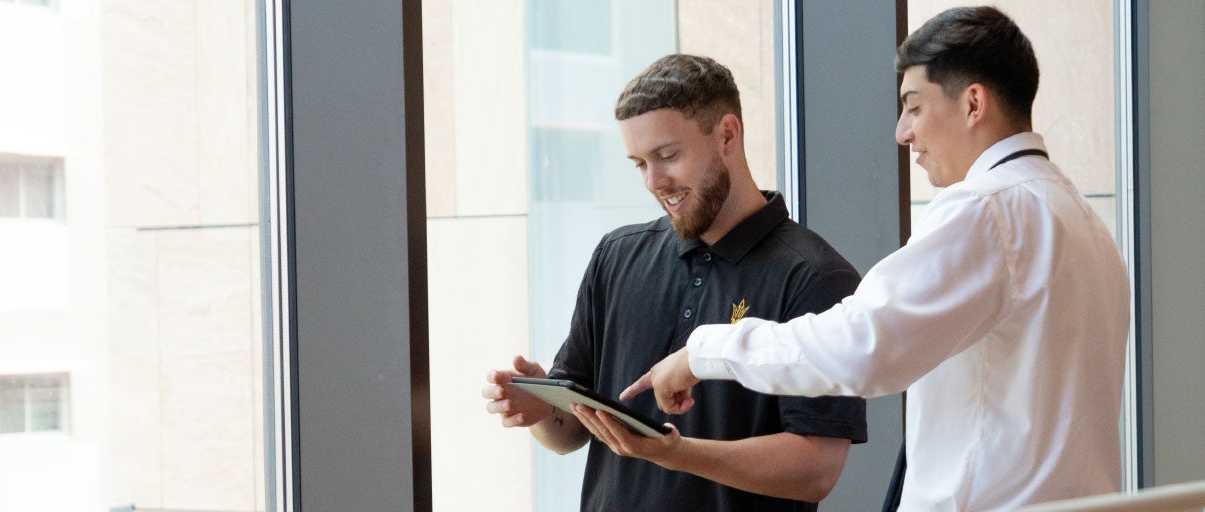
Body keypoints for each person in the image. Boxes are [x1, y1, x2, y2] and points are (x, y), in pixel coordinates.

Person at [624, 7, 1131, 510]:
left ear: (974, 103)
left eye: (913, 106)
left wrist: (703, 353)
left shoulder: (987, 210)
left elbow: (860, 345)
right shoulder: (1082, 220)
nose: (902, 132)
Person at [480, 54, 868, 512]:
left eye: (667, 156)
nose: (654, 181)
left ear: (727, 135)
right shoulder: (616, 256)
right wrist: (542, 410)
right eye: (639, 163)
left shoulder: (815, 277)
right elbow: (572, 434)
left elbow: (816, 470)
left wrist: (678, 455)